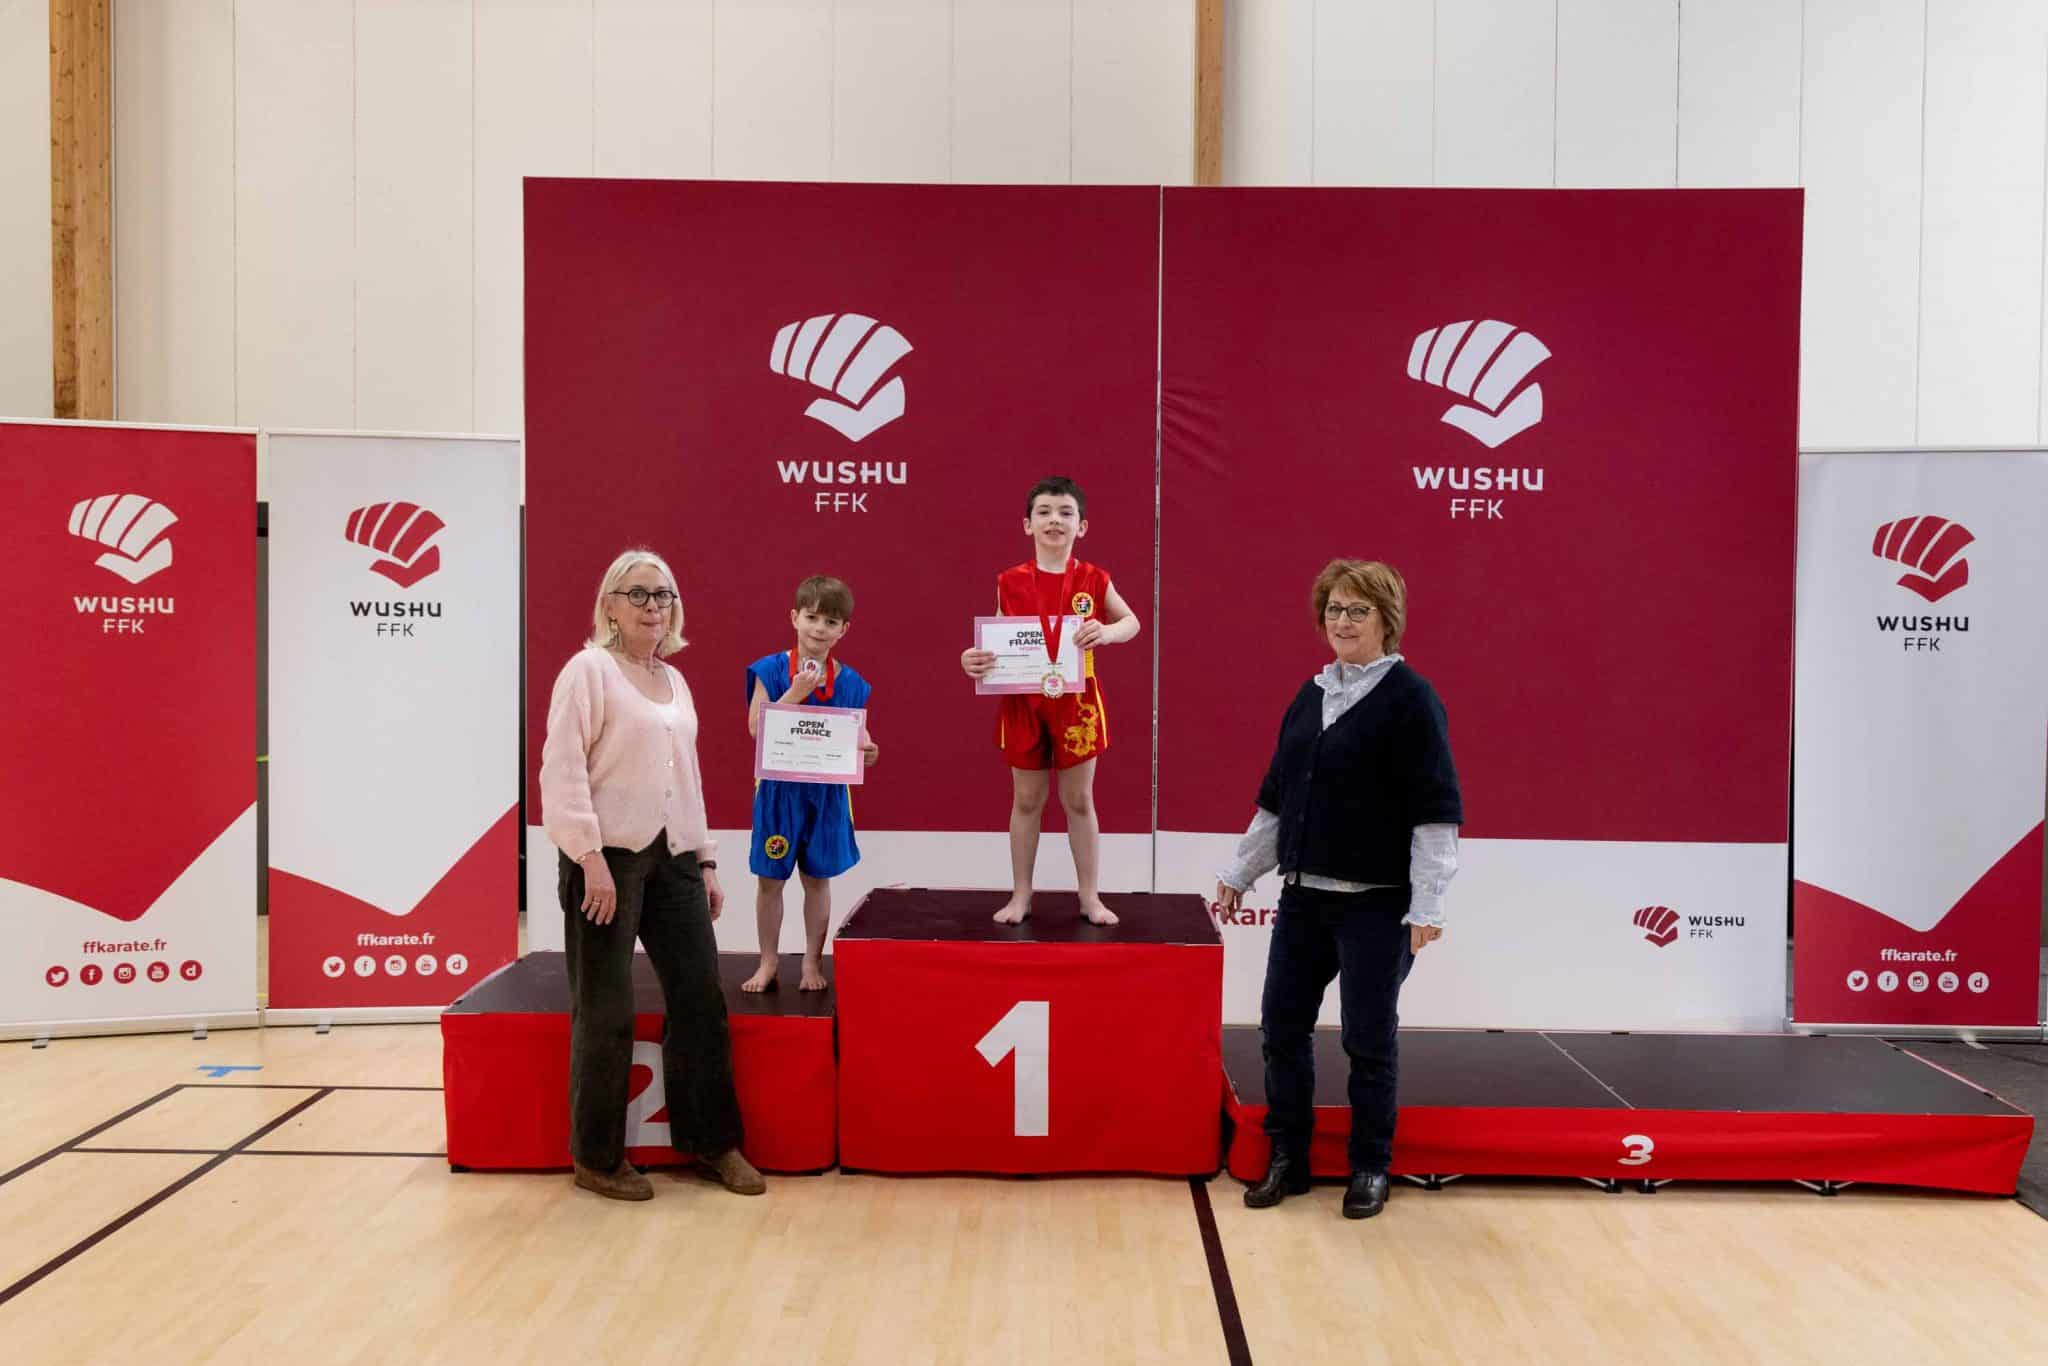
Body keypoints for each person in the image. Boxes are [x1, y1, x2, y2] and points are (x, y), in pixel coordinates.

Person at [1214, 559, 1461, 1220]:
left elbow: (1435, 814)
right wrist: (1239, 873)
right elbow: (1277, 799)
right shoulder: (1310, 695)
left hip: (1377, 905)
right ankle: (1288, 1157)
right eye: (1334, 610)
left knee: (1367, 1040)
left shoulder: (1412, 699)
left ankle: (1370, 1165)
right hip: (1303, 898)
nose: (1343, 622)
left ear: (1386, 619)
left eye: (1357, 610)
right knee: (1281, 1029)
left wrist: (1428, 904)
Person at [540, 548, 765, 1202]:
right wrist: (589, 858)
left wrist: (705, 858)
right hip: (604, 859)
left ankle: (712, 1143)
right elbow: (562, 769)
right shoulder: (588, 670)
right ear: (610, 604)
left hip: (674, 857)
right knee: (605, 1008)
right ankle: (597, 1158)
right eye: (637, 594)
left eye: (663, 595)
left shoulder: (674, 680)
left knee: (700, 999)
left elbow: (686, 778)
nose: (652, 606)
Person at [959, 476, 1140, 926]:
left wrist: (1107, 632)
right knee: (1026, 800)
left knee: (1079, 799)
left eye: (1065, 512)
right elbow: (994, 641)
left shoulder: (1095, 578)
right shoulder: (1009, 581)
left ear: (1082, 526)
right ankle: (1021, 895)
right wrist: (974, 658)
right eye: (1044, 512)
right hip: (1023, 702)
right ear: (1027, 524)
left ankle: (1090, 897)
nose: (1054, 520)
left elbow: (1132, 622)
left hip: (1077, 703)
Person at [741, 574, 880, 993]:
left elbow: (858, 737)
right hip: (778, 793)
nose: (819, 628)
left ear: (844, 629)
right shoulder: (770, 669)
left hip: (827, 794)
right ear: (794, 618)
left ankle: (811, 962)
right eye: (812, 617)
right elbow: (756, 728)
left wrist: (868, 751)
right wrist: (794, 694)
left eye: (830, 622)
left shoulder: (852, 683)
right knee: (770, 880)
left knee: (818, 880)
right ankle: (768, 961)